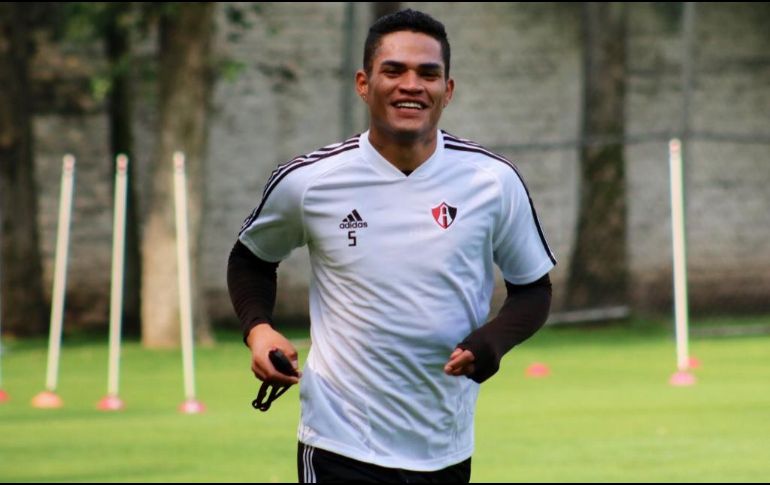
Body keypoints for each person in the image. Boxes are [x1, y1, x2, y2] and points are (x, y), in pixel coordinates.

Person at [228, 9, 556, 483]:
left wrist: (494, 341)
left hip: (443, 446)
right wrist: (259, 331)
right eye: (394, 70)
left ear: (448, 89)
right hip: (337, 442)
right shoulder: (311, 182)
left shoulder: (493, 181)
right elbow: (251, 259)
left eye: (428, 73)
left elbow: (534, 289)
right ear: (364, 84)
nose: (411, 84)